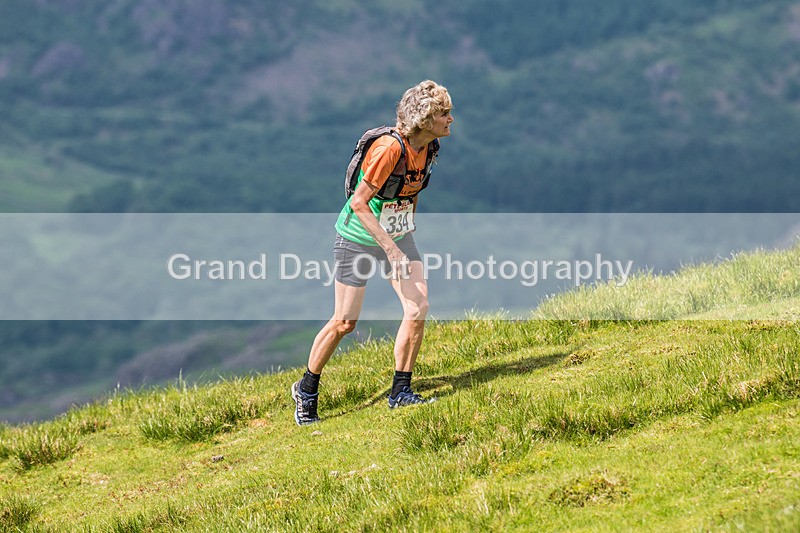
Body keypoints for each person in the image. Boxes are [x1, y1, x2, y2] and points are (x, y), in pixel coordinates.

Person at [291, 80, 454, 425]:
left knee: (418, 307)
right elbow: (359, 202)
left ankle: (400, 392)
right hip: (357, 237)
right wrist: (391, 248)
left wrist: (405, 231)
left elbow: (412, 189)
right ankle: (306, 390)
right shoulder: (387, 149)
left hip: (397, 236)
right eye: (444, 113)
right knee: (345, 322)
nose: (450, 119)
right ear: (424, 119)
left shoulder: (430, 146)